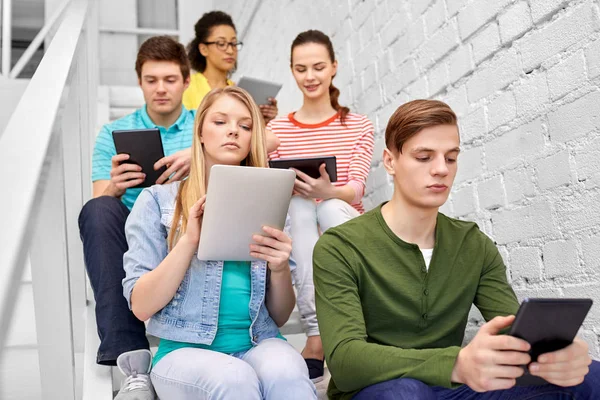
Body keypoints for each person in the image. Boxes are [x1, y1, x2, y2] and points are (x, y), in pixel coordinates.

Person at [313, 99, 599, 399]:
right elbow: (345, 361)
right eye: (424, 157)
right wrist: (456, 363)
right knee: (405, 393)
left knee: (590, 375)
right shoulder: (339, 247)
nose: (441, 170)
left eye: (451, 158)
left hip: (454, 388)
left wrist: (555, 353)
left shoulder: (473, 244)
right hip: (381, 391)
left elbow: (511, 331)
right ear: (389, 161)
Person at [122, 86, 317, 400]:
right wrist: (189, 241)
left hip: (258, 340)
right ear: (200, 132)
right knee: (234, 378)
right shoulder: (157, 201)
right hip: (182, 352)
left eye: (245, 125)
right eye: (220, 122)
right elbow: (141, 306)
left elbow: (279, 316)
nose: (233, 131)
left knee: (289, 373)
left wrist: (280, 269)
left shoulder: (271, 202)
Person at [78, 36, 195, 399]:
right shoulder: (112, 133)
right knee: (96, 209)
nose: (160, 89)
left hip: (190, 223)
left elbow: (264, 139)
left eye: (170, 79)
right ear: (139, 81)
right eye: (151, 80)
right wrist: (114, 185)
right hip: (138, 233)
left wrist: (198, 154)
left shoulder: (207, 125)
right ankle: (131, 358)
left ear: (186, 81)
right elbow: (101, 204)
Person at [267, 29, 374, 383]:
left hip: (343, 221)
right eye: (301, 69)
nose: (309, 77)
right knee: (299, 208)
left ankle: (332, 328)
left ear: (333, 68)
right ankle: (317, 334)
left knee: (324, 208)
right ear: (292, 71)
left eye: (317, 67)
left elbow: (357, 191)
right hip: (300, 223)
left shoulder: (358, 125)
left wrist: (328, 191)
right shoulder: (278, 129)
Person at [183, 10, 280, 152]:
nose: (230, 50)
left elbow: (247, 140)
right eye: (221, 44)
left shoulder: (240, 91)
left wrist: (261, 121)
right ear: (203, 49)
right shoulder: (187, 87)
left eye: (234, 44)